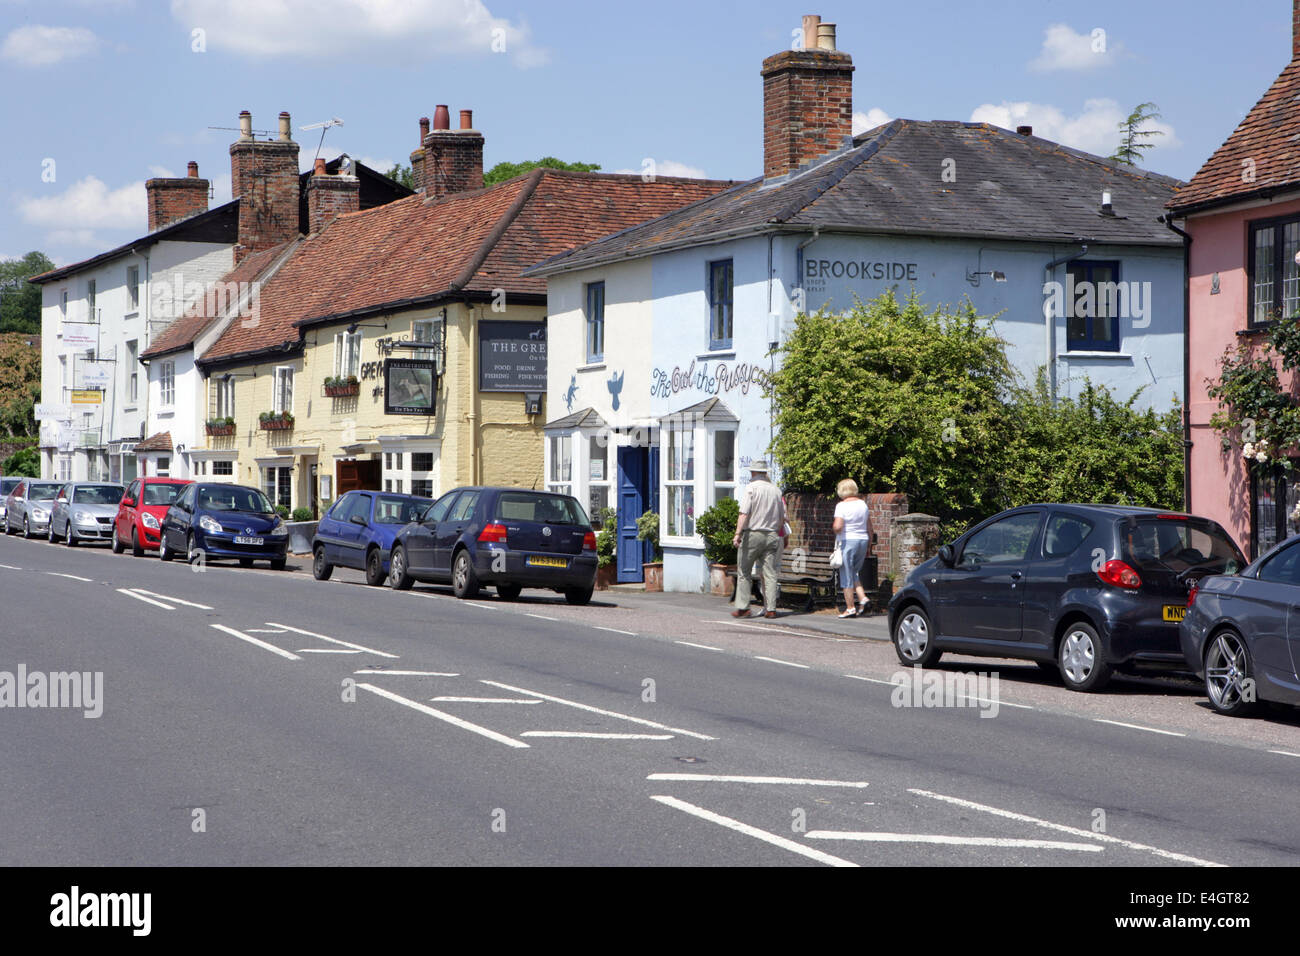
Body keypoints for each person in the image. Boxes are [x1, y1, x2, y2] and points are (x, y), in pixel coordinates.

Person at [732, 460, 786, 619]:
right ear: (765, 473)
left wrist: (737, 534)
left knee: (744, 571)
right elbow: (782, 517)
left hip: (753, 534)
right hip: (772, 535)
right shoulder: (776, 490)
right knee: (770, 572)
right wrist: (775, 529)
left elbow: (744, 513)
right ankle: (771, 608)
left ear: (753, 473)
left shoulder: (751, 488)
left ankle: (743, 608)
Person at [832, 478, 871, 618]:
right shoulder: (863, 505)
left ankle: (850, 608)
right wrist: (869, 545)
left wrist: (835, 529)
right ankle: (863, 598)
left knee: (846, 574)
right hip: (863, 540)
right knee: (854, 571)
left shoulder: (841, 506)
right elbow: (869, 526)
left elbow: (838, 526)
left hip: (848, 540)